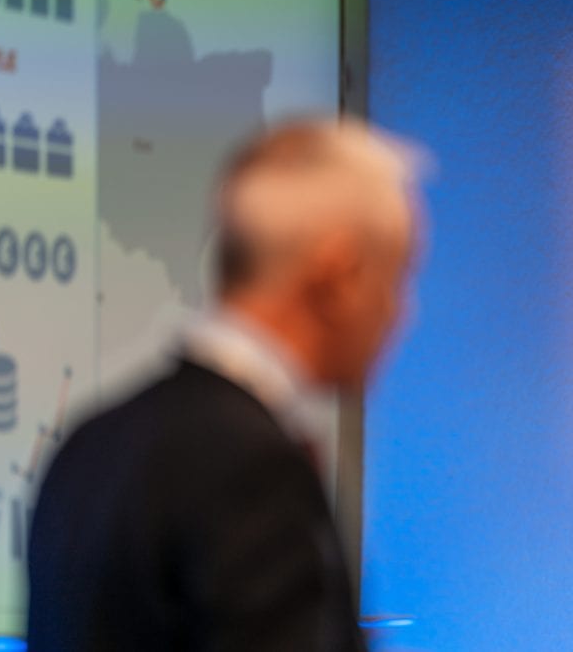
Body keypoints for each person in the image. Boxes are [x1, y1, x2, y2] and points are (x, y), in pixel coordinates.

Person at [26, 118, 418, 651]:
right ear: (338, 273)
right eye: (395, 278)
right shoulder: (253, 466)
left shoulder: (89, 443)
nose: (401, 313)